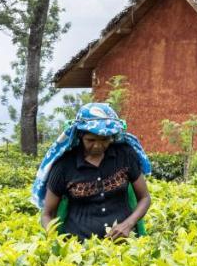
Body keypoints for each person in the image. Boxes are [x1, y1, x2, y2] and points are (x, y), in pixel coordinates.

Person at [32, 102, 153, 240]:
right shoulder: (64, 166)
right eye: (90, 140)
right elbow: (47, 214)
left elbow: (145, 198)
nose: (97, 145)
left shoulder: (125, 155)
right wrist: (57, 240)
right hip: (79, 247)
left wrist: (128, 224)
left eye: (104, 140)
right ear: (80, 136)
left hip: (124, 244)